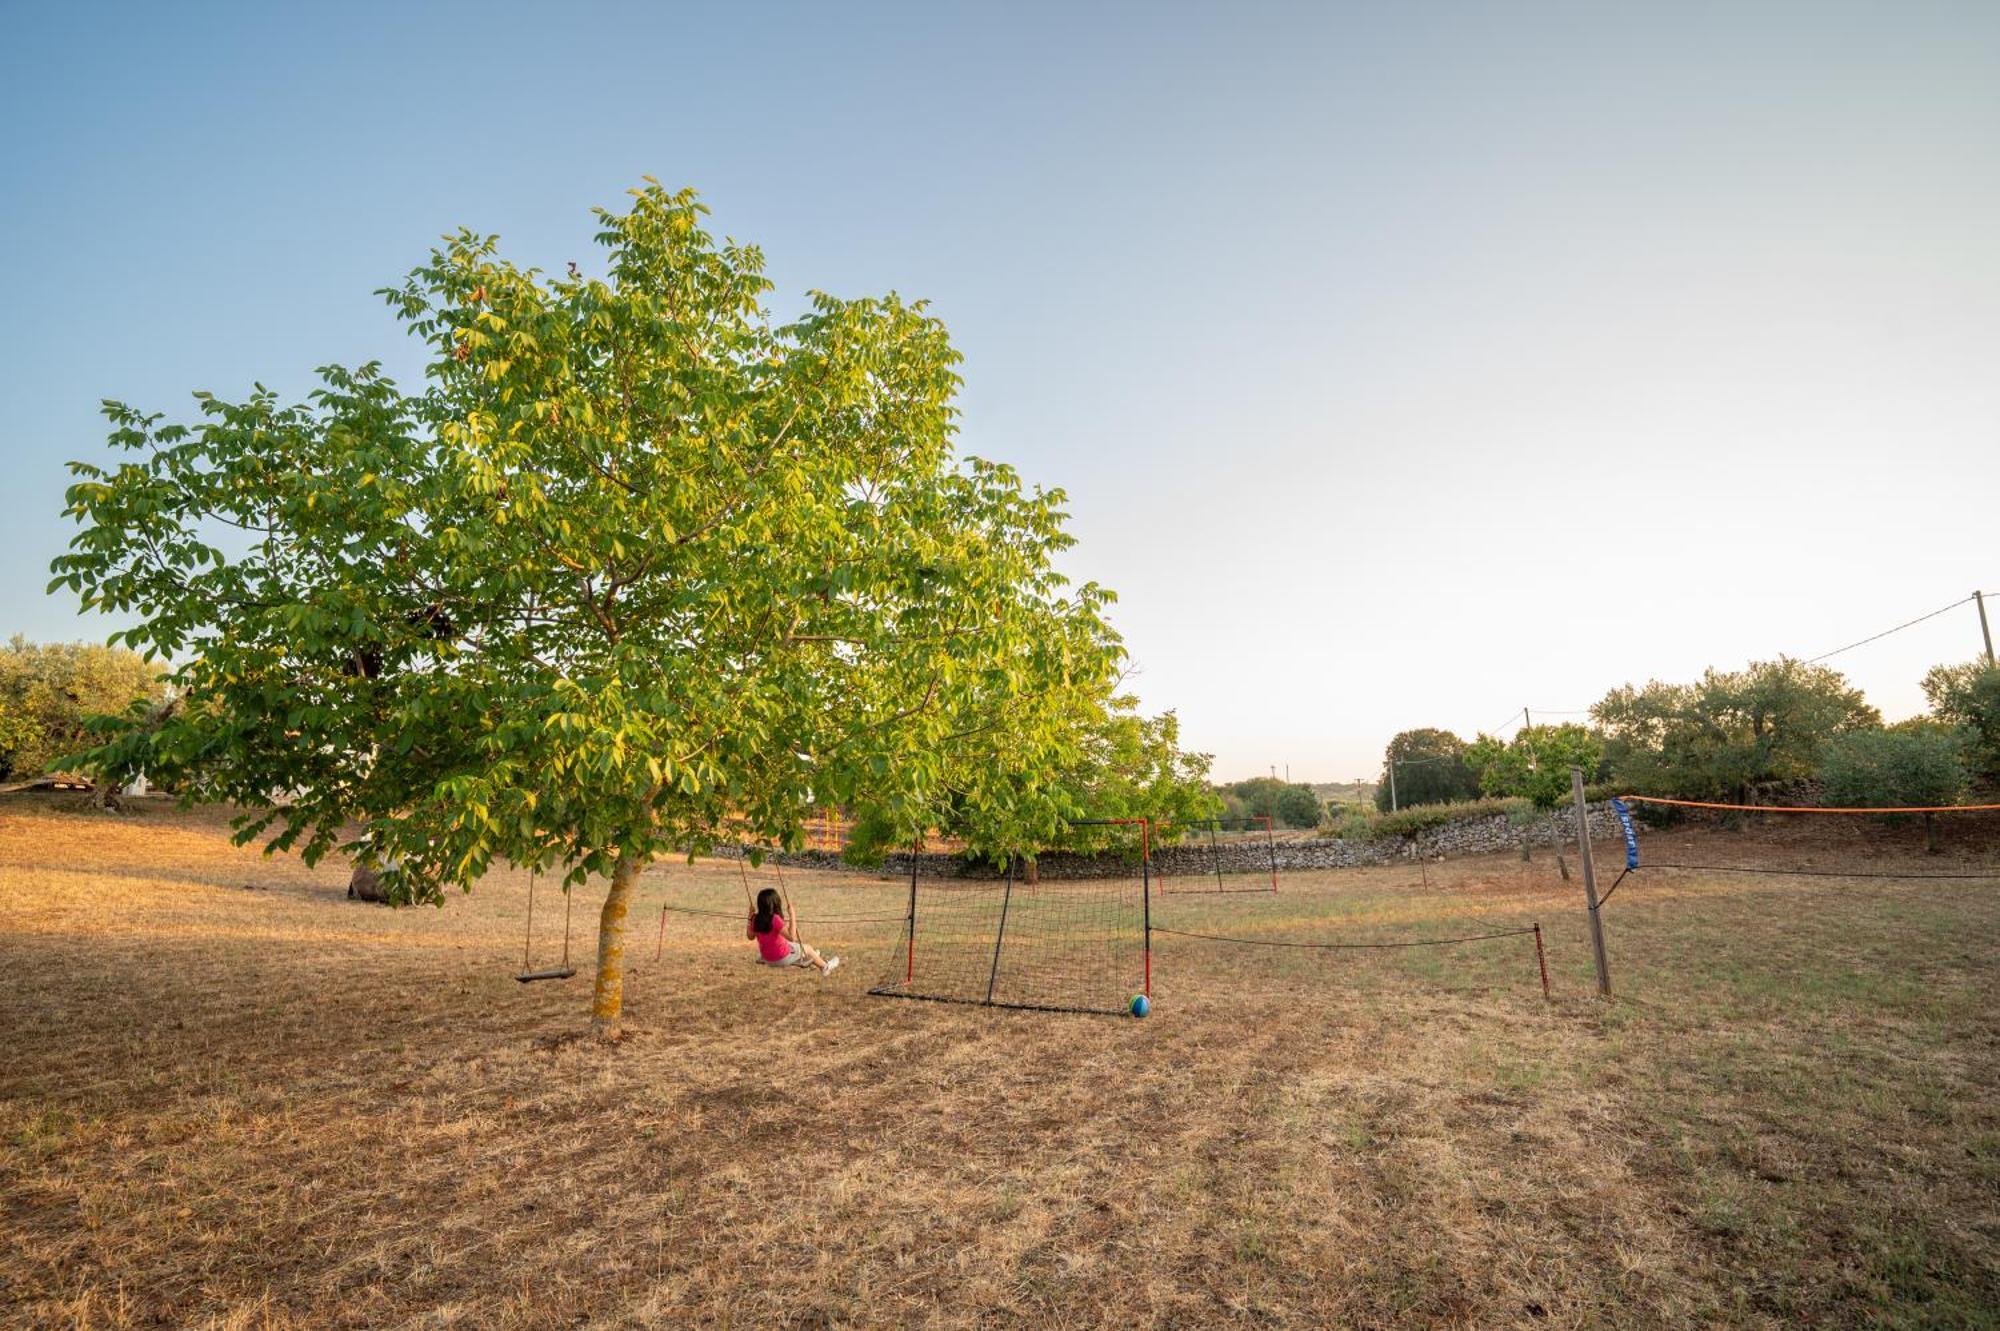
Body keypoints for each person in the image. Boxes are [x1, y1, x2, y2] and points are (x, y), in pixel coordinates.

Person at [746, 887, 839, 976]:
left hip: (767, 958)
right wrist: (792, 915)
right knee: (808, 949)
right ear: (775, 903)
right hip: (780, 958)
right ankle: (825, 967)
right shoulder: (775, 919)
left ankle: (811, 958)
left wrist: (750, 918)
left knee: (796, 947)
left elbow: (750, 937)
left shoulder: (755, 918)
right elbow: (792, 937)